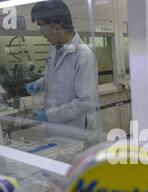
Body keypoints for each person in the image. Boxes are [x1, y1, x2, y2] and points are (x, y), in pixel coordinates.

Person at [26, 0, 101, 143]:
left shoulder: (83, 55)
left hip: (76, 131)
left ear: (55, 27)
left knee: (72, 164)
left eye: (41, 26)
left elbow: (85, 102)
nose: (41, 32)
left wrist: (50, 115)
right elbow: (56, 76)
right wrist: (40, 83)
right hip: (55, 128)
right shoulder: (54, 49)